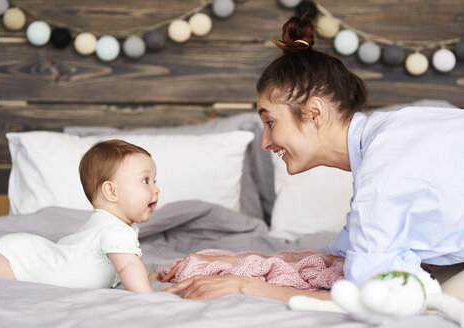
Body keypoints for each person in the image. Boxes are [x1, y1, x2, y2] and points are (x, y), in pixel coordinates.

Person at [161, 16, 464, 301]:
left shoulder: (382, 177)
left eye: (270, 123)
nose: (266, 143)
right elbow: (340, 259)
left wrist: (244, 285)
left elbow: (369, 294)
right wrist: (226, 261)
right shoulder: (390, 139)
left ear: (315, 112)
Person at [0, 139, 159, 293]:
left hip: (29, 253)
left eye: (154, 180)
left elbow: (132, 262)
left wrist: (148, 276)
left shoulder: (116, 227)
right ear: (111, 191)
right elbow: (128, 267)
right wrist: (149, 298)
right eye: (145, 181)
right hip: (25, 264)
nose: (156, 189)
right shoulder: (115, 230)